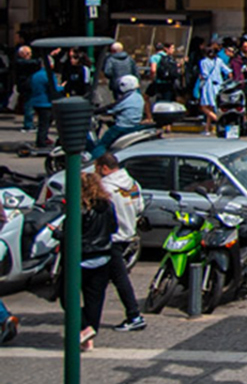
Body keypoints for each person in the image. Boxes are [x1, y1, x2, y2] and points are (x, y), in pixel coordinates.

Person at [96, 154, 146, 331]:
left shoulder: (105, 187)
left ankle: (134, 315)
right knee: (105, 279)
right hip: (128, 236)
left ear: (104, 168)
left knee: (118, 279)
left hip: (112, 239)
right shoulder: (132, 183)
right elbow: (140, 207)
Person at [77, 170, 119, 352]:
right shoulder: (107, 205)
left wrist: (56, 233)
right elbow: (114, 227)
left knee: (67, 296)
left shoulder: (80, 207)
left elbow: (72, 233)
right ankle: (89, 336)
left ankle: (85, 328)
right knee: (94, 298)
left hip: (81, 258)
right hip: (103, 256)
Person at [91, 75, 144, 160]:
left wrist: (94, 111)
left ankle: (93, 162)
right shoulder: (138, 96)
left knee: (102, 145)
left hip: (122, 127)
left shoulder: (126, 98)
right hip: (134, 126)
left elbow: (111, 108)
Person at [25, 56, 56, 147]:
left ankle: (43, 138)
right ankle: (41, 141)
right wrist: (62, 87)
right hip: (46, 103)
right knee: (45, 124)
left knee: (43, 122)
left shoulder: (35, 75)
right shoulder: (48, 75)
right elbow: (53, 89)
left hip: (36, 101)